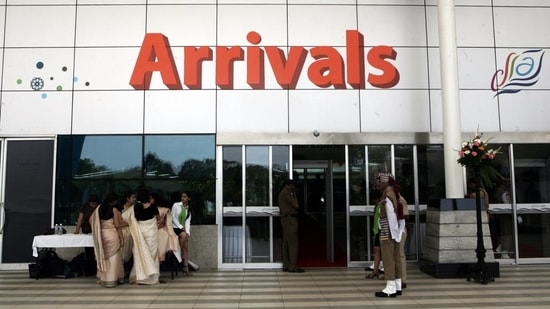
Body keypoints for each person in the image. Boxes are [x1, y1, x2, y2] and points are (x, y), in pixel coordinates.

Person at [374, 172, 406, 297]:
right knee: (396, 258)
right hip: (395, 233)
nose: (378, 184)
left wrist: (394, 234)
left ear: (385, 182)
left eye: (379, 181)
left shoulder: (387, 195)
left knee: (388, 260)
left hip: (389, 233)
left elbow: (392, 217)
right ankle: (397, 285)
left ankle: (390, 287)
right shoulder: (394, 193)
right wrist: (398, 234)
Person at [122, 189, 160, 285]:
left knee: (140, 253)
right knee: (152, 254)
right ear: (148, 196)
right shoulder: (153, 206)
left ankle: (139, 277)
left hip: (140, 232)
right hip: (151, 232)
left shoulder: (136, 207)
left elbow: (131, 219)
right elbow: (158, 218)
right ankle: (152, 277)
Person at [90, 192, 124, 287]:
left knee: (104, 256)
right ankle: (113, 279)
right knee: (114, 258)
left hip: (102, 235)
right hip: (112, 234)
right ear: (114, 201)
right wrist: (122, 238)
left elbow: (90, 220)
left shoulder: (98, 209)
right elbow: (117, 225)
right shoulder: (114, 210)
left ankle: (103, 279)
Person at [278, 179, 304, 273]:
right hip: (290, 219)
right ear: (287, 185)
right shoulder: (287, 193)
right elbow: (296, 205)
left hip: (285, 219)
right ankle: (292, 267)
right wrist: (295, 195)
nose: (293, 187)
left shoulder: (282, 193)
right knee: (293, 243)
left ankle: (286, 265)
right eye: (292, 185)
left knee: (286, 243)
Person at [74, 194, 100, 276]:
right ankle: (90, 270)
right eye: (92, 204)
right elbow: (80, 218)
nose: (94, 206)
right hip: (86, 230)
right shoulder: (84, 207)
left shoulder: (99, 207)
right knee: (89, 252)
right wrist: (77, 230)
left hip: (97, 230)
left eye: (95, 204)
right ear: (89, 203)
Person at [153, 193, 180, 265]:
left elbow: (165, 223)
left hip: (161, 229)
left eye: (151, 198)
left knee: (161, 237)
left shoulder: (165, 210)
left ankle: (158, 260)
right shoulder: (148, 208)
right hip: (150, 229)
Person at [171, 191, 193, 276]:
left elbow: (188, 222)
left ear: (189, 198)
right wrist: (181, 227)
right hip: (175, 227)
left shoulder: (189, 208)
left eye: (184, 197)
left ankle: (185, 267)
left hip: (182, 229)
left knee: (186, 247)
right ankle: (178, 251)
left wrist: (188, 232)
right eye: (182, 196)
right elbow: (173, 217)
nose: (182, 198)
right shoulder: (176, 205)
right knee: (183, 237)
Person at [366, 189, 384, 278]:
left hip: (383, 230)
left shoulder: (383, 205)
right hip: (378, 231)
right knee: (376, 250)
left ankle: (386, 271)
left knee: (383, 251)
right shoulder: (378, 206)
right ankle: (375, 271)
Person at [119, 191, 136, 275]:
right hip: (119, 230)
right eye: (133, 197)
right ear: (127, 199)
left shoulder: (135, 208)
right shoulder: (120, 208)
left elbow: (134, 221)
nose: (134, 199)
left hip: (131, 230)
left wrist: (127, 223)